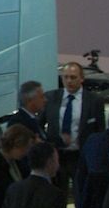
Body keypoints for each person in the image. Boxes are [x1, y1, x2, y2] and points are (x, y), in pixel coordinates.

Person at [43, 62, 104, 190]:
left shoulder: (94, 101)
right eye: (66, 77)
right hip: (56, 156)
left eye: (73, 77)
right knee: (56, 195)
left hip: (80, 157)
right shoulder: (51, 98)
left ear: (82, 78)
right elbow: (39, 125)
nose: (69, 81)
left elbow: (100, 131)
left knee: (81, 193)